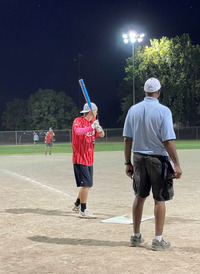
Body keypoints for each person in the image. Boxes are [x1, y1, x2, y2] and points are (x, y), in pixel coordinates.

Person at [123, 77, 182, 251]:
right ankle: (158, 239)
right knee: (159, 199)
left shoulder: (133, 110)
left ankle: (135, 236)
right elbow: (168, 140)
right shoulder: (163, 111)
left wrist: (127, 162)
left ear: (144, 91)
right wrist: (176, 164)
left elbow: (127, 139)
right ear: (158, 91)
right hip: (158, 160)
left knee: (139, 197)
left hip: (139, 158)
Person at [72, 102, 105, 218]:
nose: (97, 113)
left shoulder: (93, 122)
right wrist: (91, 127)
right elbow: (78, 132)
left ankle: (77, 203)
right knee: (86, 185)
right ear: (91, 111)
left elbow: (101, 135)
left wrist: (99, 128)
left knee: (86, 185)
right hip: (80, 158)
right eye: (96, 111)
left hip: (89, 158)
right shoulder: (78, 121)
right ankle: (83, 210)